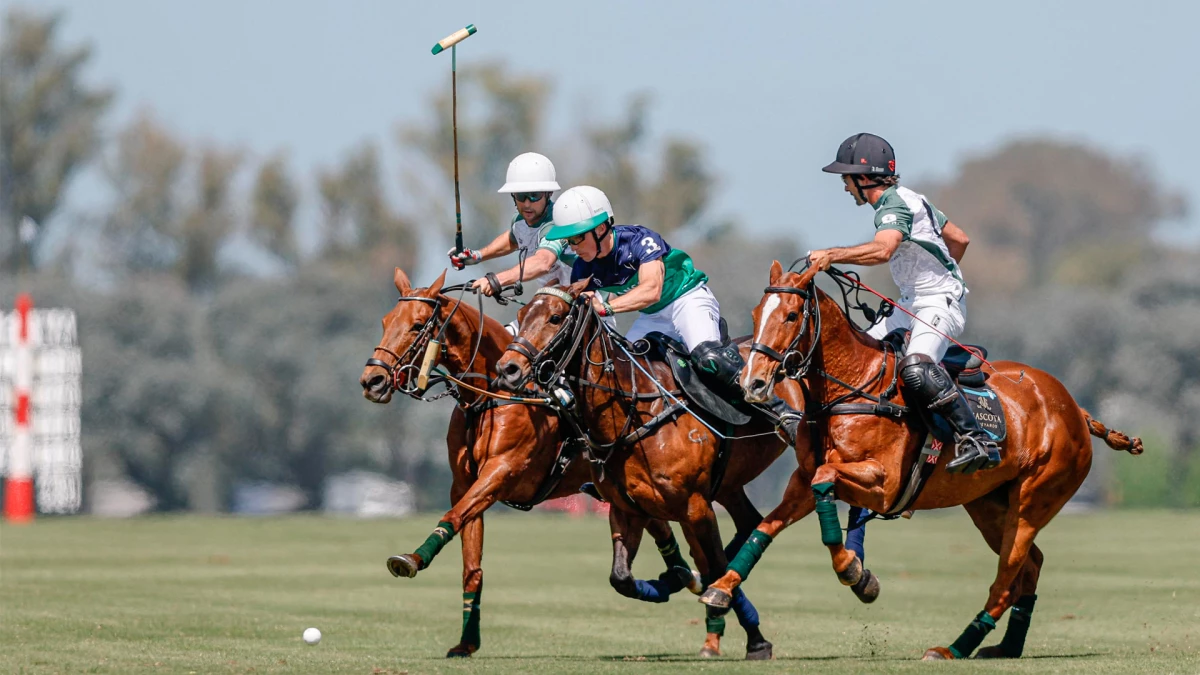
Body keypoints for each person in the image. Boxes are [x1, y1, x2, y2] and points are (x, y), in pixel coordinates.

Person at [543, 185, 803, 445]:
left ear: (600, 229)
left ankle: (781, 412)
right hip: (653, 317)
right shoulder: (581, 267)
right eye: (569, 240)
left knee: (708, 357)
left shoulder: (638, 240)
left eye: (577, 238)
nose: (573, 246)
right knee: (623, 370)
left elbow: (652, 290)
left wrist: (607, 306)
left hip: (687, 298)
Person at [807, 133, 1001, 474]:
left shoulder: (895, 205)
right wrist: (943, 273)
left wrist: (832, 255)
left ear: (864, 178)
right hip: (910, 306)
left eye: (846, 179)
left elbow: (883, 250)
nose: (845, 187)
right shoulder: (911, 198)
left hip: (938, 305)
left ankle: (976, 439)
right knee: (860, 359)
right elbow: (960, 239)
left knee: (916, 367)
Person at [447, 152, 576, 332]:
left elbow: (543, 262)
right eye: (520, 196)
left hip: (583, 308)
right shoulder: (521, 220)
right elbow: (514, 238)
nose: (527, 204)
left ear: (549, 194)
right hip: (549, 307)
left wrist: (497, 280)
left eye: (534, 195)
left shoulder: (559, 223)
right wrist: (477, 256)